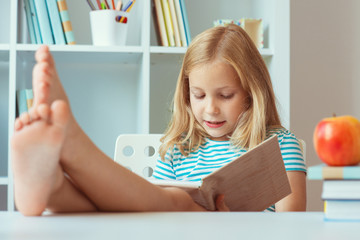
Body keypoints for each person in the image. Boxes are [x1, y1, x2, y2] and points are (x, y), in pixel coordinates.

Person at [11, 24, 306, 216]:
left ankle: (71, 154)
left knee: (179, 205)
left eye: (225, 95)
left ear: (252, 94)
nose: (210, 109)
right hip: (176, 229)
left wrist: (231, 227)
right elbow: (148, 208)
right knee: (151, 207)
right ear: (186, 93)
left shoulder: (279, 145)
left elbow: (293, 228)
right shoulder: (178, 148)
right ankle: (54, 190)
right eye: (199, 95)